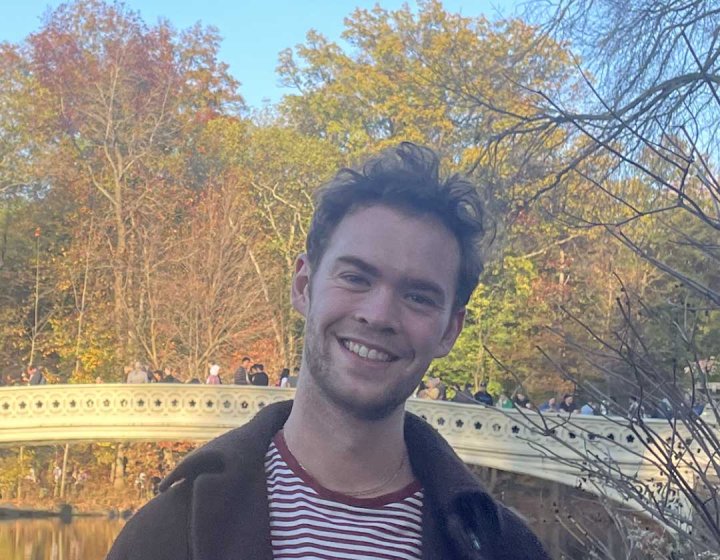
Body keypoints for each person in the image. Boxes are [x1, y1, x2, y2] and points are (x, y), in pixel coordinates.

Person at [108, 143, 548, 559]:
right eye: (356, 277)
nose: (379, 315)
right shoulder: (167, 536)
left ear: (450, 330)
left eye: (418, 296)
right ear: (303, 285)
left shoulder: (503, 548)